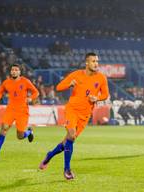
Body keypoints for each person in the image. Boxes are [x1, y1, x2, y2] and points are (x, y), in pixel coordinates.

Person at [39, 52, 109, 180]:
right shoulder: (76, 74)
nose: (96, 63)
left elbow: (105, 95)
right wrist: (69, 84)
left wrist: (97, 98)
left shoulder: (101, 78)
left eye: (97, 61)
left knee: (68, 141)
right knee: (71, 135)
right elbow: (59, 87)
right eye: (93, 61)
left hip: (85, 115)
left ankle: (49, 155)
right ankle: (67, 169)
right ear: (86, 63)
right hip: (72, 110)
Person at [0, 64, 39, 161]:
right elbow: (0, 91)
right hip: (10, 109)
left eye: (16, 70)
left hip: (22, 111)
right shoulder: (6, 82)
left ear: (19, 72)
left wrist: (30, 98)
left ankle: (29, 132)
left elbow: (36, 92)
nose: (14, 71)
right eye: (12, 70)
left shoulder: (25, 81)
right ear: (10, 72)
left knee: (20, 136)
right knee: (4, 128)